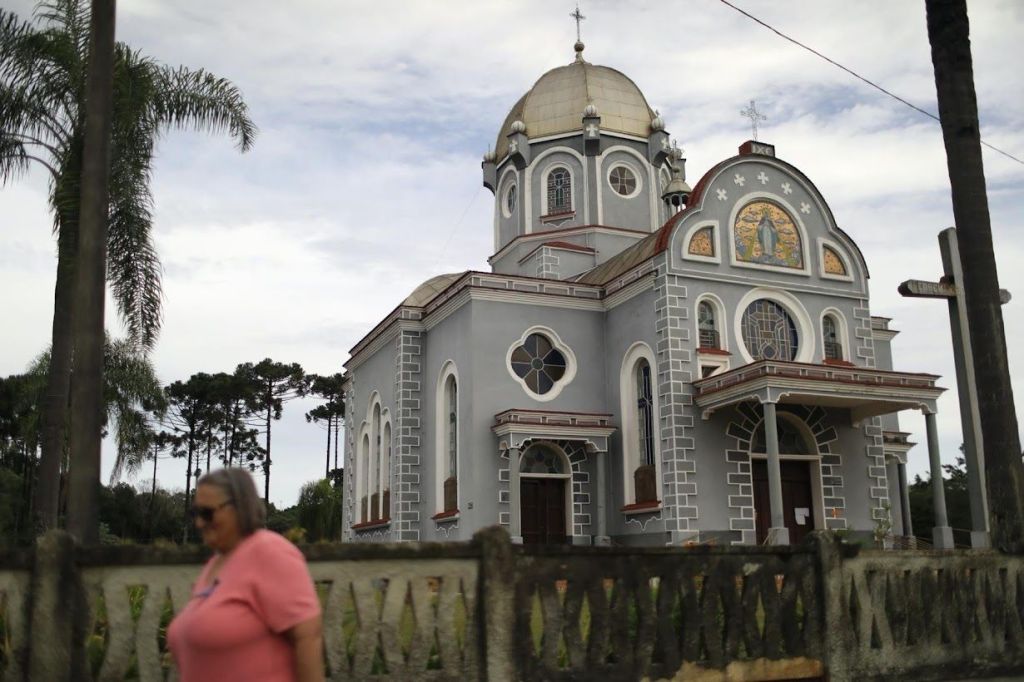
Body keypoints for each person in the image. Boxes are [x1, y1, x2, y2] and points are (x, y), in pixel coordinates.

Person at [167, 468, 324, 682]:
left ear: (239, 507)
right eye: (195, 513)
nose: (199, 523)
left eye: (207, 513)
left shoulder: (269, 552)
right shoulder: (216, 563)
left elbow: (307, 638)